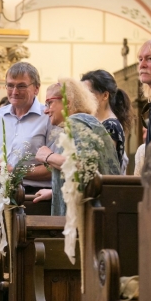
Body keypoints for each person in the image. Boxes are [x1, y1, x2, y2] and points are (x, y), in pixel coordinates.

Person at [34, 78, 120, 215]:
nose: (46, 110)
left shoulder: (77, 122)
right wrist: (55, 192)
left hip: (89, 215)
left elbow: (82, 166)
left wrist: (48, 156)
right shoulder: (83, 121)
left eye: (49, 103)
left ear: (67, 102)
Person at [0, 62, 54, 197]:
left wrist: (16, 171)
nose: (15, 92)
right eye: (10, 85)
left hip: (33, 195)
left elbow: (56, 166)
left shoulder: (48, 117)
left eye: (21, 86)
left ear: (36, 88)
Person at [81, 69, 134, 174]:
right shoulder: (95, 122)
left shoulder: (110, 125)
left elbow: (102, 167)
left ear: (105, 95)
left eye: (88, 93)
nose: (83, 98)